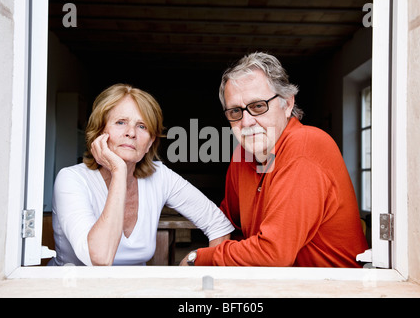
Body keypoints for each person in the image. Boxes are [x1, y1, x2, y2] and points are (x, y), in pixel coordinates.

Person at [180, 52, 368, 267]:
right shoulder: (242, 155)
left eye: (258, 106)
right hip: (277, 283)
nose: (247, 122)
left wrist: (199, 258)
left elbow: (273, 254)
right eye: (235, 111)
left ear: (287, 104)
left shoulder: (306, 145)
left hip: (335, 289)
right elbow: (227, 225)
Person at [50, 83, 234, 266]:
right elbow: (100, 258)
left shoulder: (159, 176)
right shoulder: (71, 179)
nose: (131, 133)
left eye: (142, 126)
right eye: (121, 122)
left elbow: (218, 224)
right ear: (100, 131)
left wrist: (200, 264)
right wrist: (119, 171)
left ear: (150, 142)